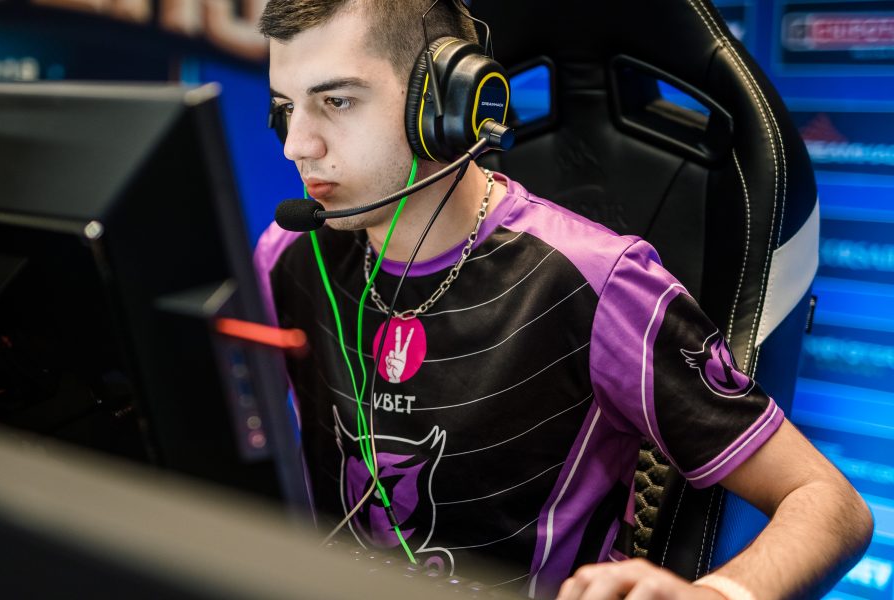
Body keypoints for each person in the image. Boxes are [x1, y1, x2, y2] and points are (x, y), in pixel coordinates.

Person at [251, 0, 874, 598]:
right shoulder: (287, 255)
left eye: (336, 101)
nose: (296, 145)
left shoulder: (597, 282)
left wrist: (715, 596)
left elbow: (830, 503)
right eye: (286, 108)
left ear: (443, 101)